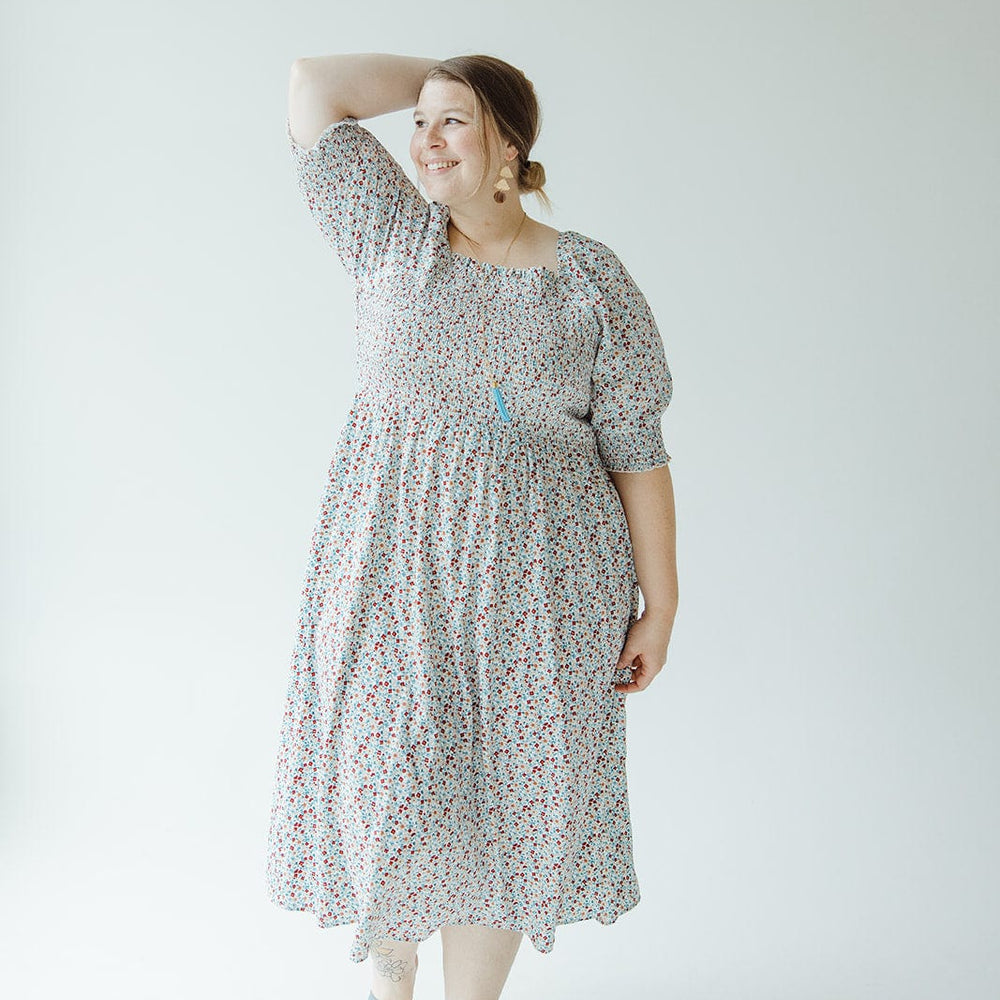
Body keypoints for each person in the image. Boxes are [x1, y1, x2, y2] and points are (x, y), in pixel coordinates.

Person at [266, 51, 679, 1000]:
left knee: (504, 805)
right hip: (391, 571)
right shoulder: (388, 237)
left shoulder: (589, 279)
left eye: (453, 121)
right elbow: (313, 88)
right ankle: (392, 979)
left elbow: (637, 451)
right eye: (420, 121)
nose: (424, 139)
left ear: (510, 144)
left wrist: (660, 604)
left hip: (543, 584)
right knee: (389, 779)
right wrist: (443, 76)